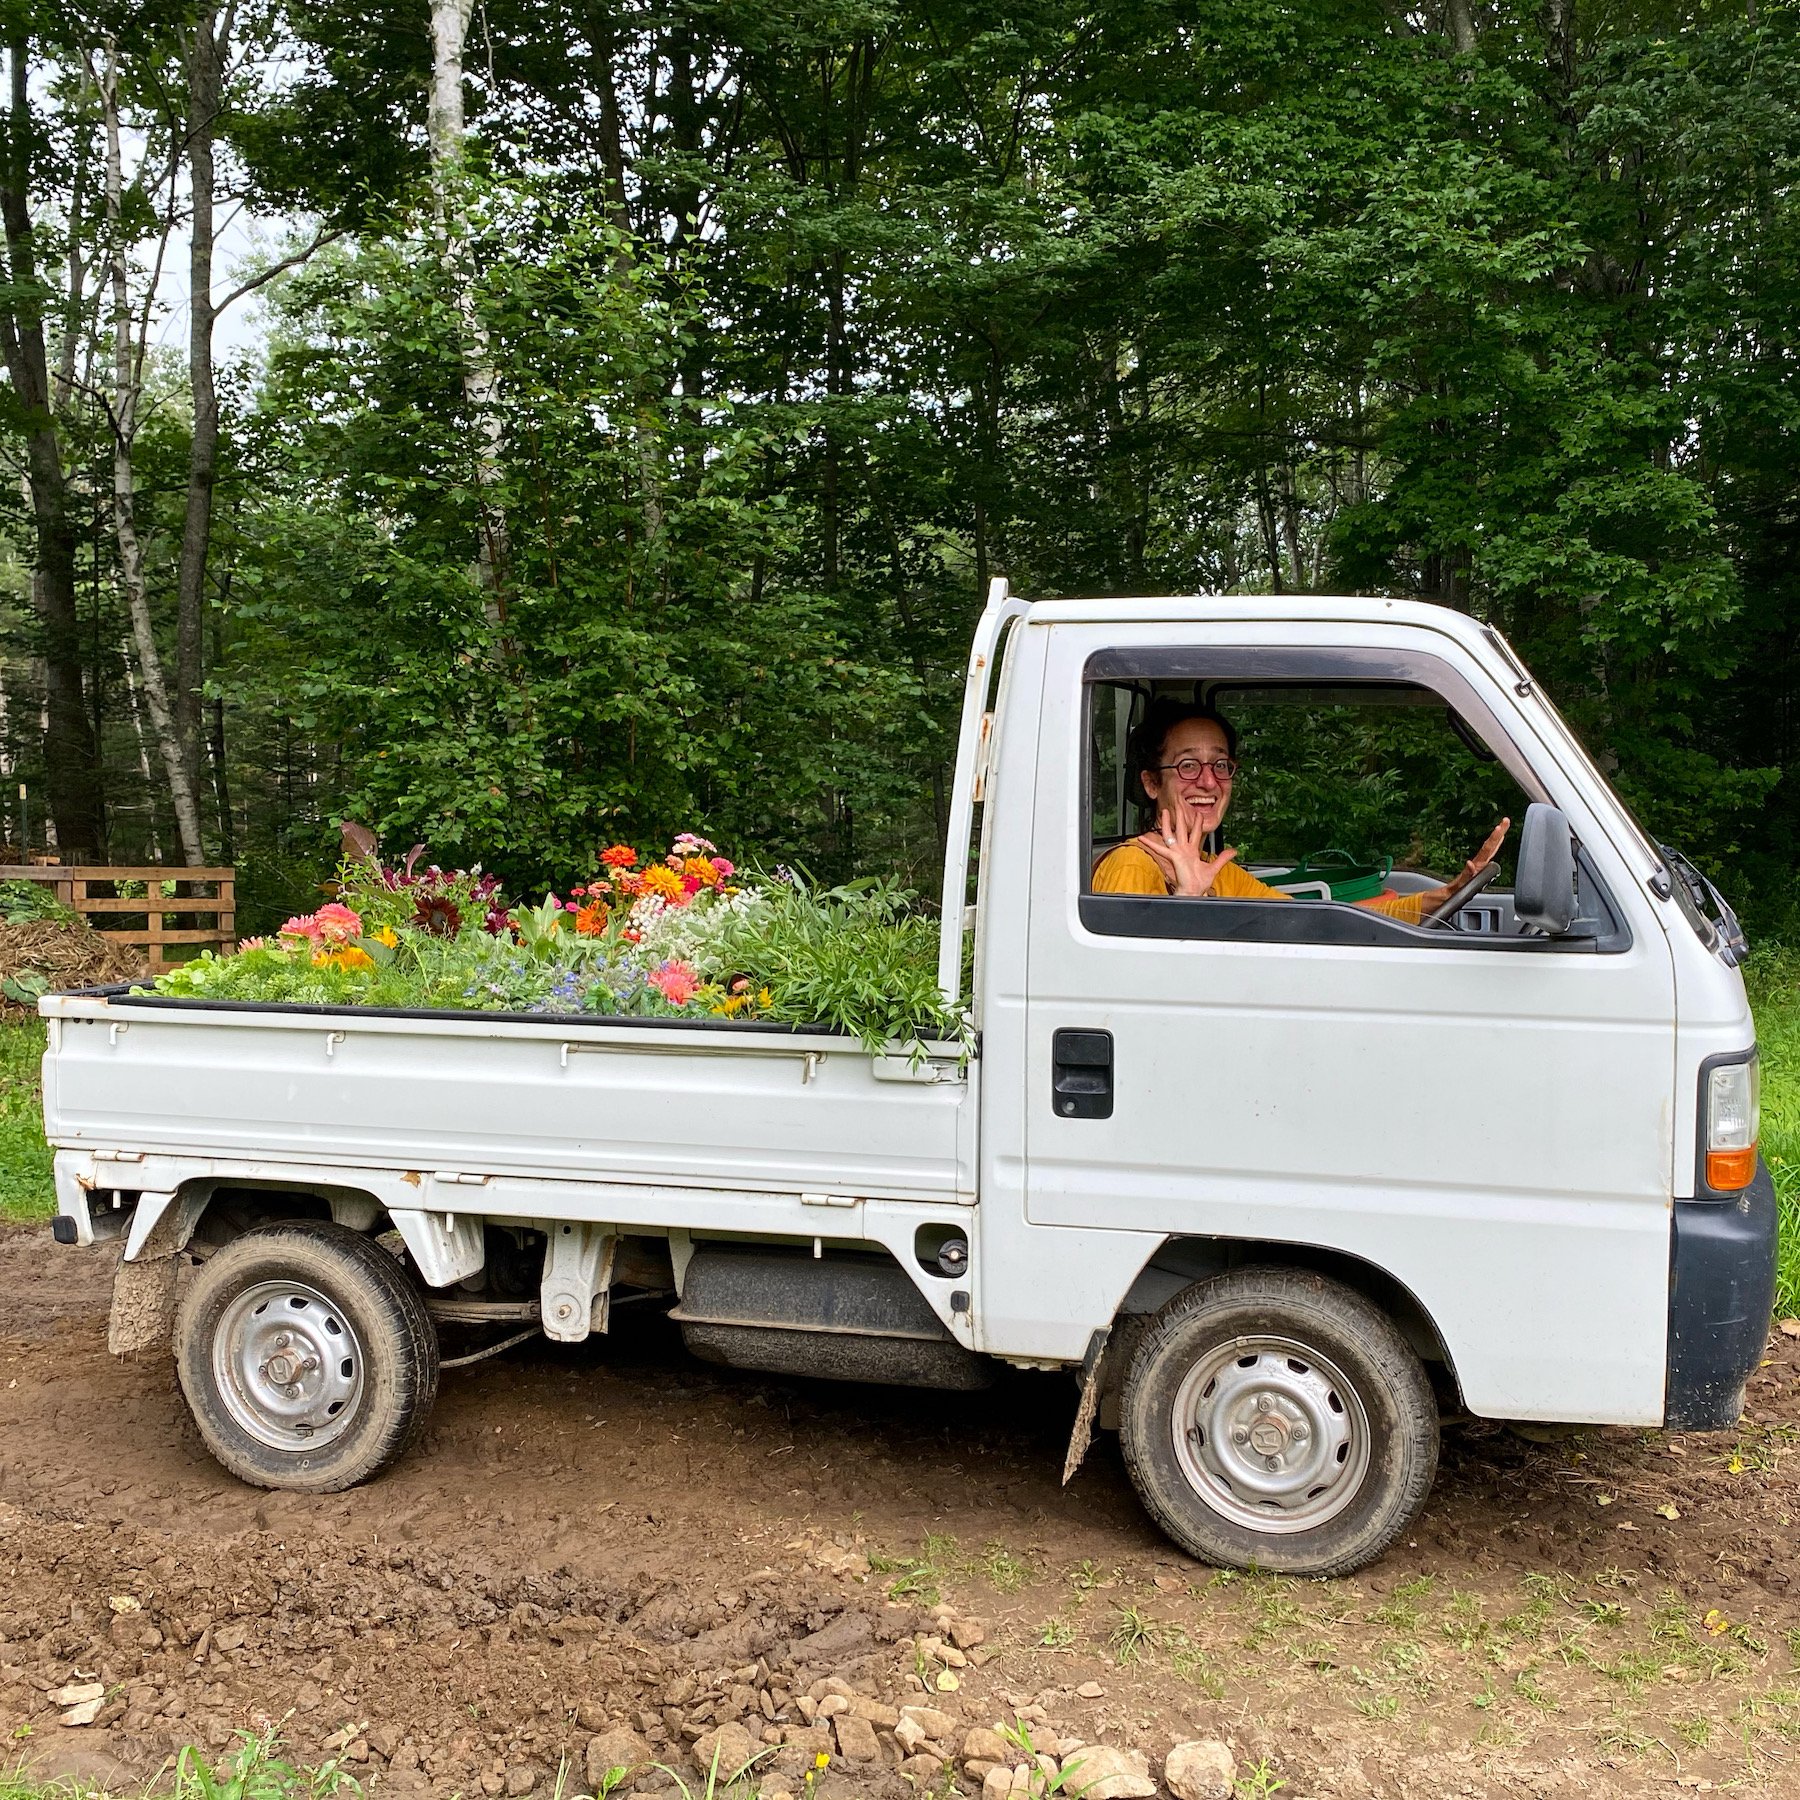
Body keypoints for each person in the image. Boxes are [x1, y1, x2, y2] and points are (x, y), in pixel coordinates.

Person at [1091, 700, 1509, 926]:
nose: (1208, 781)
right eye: (1187, 766)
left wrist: (1447, 892)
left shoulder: (1216, 871)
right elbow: (1131, 995)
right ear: (1150, 783)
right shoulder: (1133, 866)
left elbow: (1321, 921)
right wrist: (1187, 901)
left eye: (1221, 765)